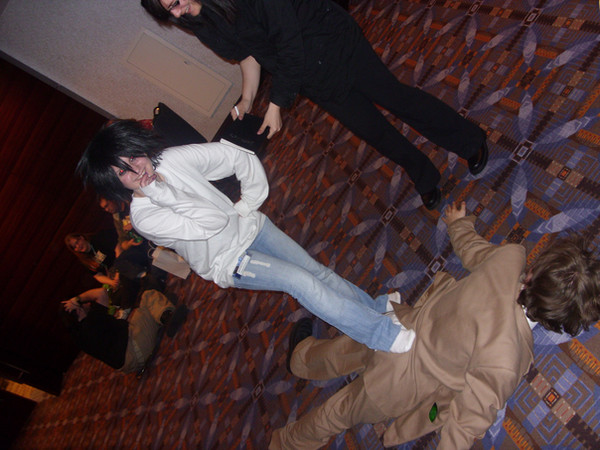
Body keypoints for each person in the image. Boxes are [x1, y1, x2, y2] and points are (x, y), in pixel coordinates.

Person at [270, 201, 600, 449]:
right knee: (340, 411)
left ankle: (302, 359)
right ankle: (285, 443)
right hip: (399, 384)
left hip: (395, 326)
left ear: (533, 272)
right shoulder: (507, 358)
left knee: (342, 350)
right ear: (558, 324)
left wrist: (459, 224)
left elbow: (473, 250)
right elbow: (466, 421)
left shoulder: (511, 259)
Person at [77, 119, 416, 354]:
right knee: (301, 282)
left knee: (317, 272)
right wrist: (162, 192)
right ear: (114, 183)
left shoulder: (171, 160)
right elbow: (211, 222)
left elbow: (236, 156)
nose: (138, 170)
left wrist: (249, 203)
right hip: (228, 260)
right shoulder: (144, 216)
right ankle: (380, 335)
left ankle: (374, 309)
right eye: (123, 171)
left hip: (250, 227)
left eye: (133, 156)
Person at [140, 0, 488, 210]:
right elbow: (248, 53)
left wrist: (277, 102)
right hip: (308, 76)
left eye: (176, 3)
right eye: (170, 12)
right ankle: (423, 174)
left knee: (398, 100)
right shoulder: (198, 20)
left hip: (331, 42)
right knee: (371, 129)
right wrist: (247, 98)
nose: (179, 13)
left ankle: (468, 141)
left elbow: (288, 41)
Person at [60, 287, 188, 373]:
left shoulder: (77, 335)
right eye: (84, 303)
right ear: (78, 310)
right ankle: (168, 318)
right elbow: (101, 292)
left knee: (148, 306)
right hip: (135, 349)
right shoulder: (91, 320)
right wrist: (77, 299)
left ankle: (161, 310)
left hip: (128, 359)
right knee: (148, 296)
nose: (88, 303)